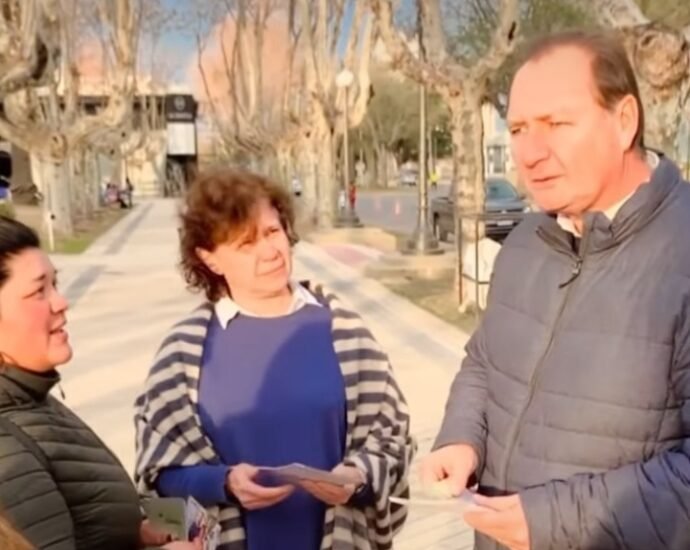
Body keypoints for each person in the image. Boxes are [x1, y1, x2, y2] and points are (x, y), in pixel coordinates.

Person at [421, 30, 690, 550]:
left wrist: (550, 522)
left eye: (557, 124)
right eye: (518, 129)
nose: (530, 152)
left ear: (624, 121)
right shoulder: (526, 241)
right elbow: (484, 362)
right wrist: (461, 438)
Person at [134, 168, 414, 549]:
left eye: (272, 231)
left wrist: (358, 477)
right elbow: (157, 479)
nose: (269, 252)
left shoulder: (344, 329)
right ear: (209, 259)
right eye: (246, 243)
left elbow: (393, 441)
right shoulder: (183, 352)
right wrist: (223, 483)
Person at [0, 216, 200, 550]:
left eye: (55, 284)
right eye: (38, 291)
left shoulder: (34, 398)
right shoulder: (7, 446)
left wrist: (138, 532)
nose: (61, 302)